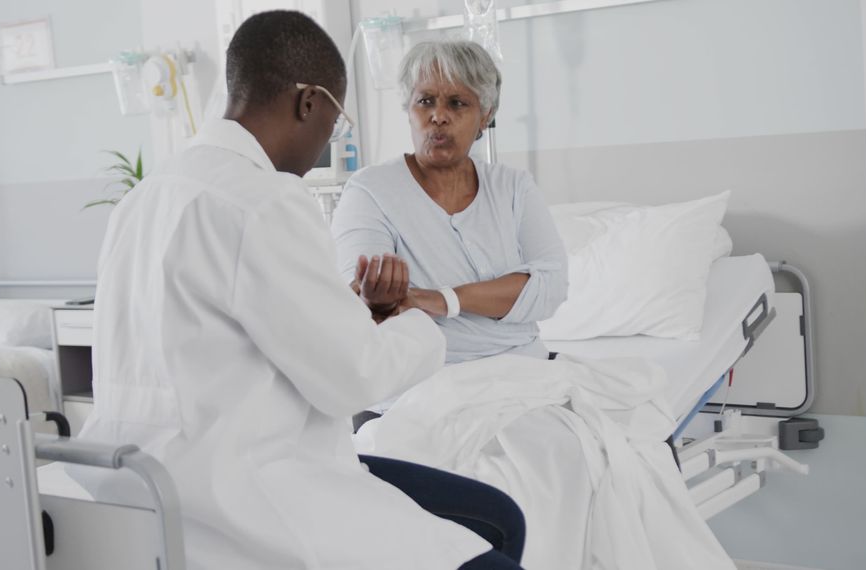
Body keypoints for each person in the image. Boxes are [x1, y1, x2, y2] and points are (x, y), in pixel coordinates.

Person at [77, 12, 523, 570]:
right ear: (308, 102)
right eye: (334, 122)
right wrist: (418, 317)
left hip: (141, 486)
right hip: (247, 497)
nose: (326, 145)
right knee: (494, 543)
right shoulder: (265, 200)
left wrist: (366, 316)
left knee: (499, 517)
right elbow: (352, 378)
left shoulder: (144, 198)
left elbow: (254, 328)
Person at [331, 41, 568, 377]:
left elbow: (551, 287)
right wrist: (379, 300)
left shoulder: (513, 187)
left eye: (457, 103)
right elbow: (360, 294)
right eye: (425, 101)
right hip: (424, 381)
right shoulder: (370, 191)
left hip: (524, 369)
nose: (438, 116)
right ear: (409, 109)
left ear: (485, 116)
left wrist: (442, 300)